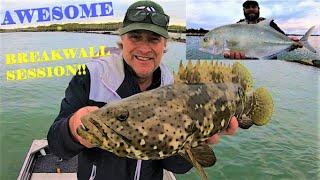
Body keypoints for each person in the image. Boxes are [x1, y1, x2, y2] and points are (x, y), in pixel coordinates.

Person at [47, 1, 238, 180]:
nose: (144, 48)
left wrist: (196, 142)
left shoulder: (174, 87)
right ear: (122, 38)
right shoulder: (90, 75)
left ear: (164, 45)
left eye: (154, 39)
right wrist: (72, 129)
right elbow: (56, 145)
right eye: (135, 37)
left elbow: (176, 166)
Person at [224, 0, 301, 59]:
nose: (251, 9)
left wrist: (292, 44)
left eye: (253, 7)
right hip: (246, 63)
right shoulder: (237, 26)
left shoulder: (270, 24)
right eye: (247, 7)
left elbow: (283, 42)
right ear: (244, 10)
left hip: (269, 66)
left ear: (258, 9)